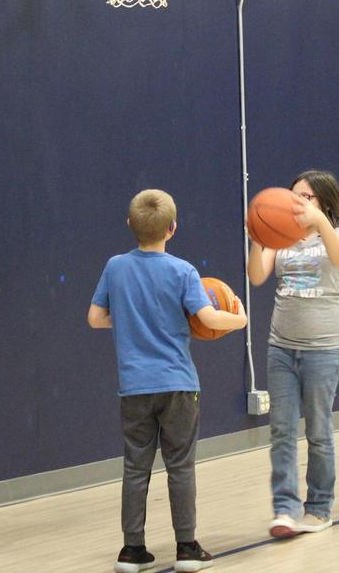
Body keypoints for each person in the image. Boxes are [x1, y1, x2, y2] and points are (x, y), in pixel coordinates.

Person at [88, 189, 247, 573]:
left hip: (134, 387)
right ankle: (187, 549)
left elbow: (95, 318)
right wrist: (239, 319)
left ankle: (132, 551)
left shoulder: (115, 267)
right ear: (172, 229)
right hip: (177, 384)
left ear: (130, 224)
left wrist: (129, 320)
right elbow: (209, 318)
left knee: (135, 467)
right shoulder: (182, 271)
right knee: (180, 466)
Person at [247, 170, 339, 540]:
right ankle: (286, 509)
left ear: (322, 201)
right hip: (281, 346)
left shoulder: (337, 235)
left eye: (305, 197)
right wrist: (258, 235)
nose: (296, 203)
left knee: (319, 433)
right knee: (281, 431)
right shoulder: (282, 237)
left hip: (323, 348)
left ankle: (320, 508)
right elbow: (257, 275)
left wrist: (319, 221)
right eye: (293, 196)